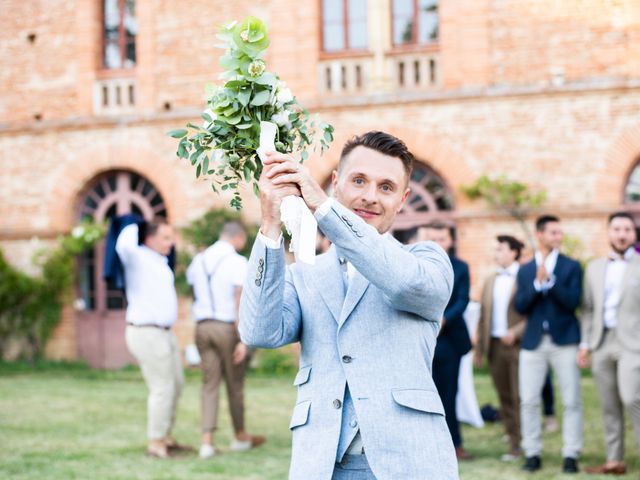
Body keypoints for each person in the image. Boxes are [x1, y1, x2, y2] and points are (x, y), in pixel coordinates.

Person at [239, 131, 458, 479]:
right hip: (322, 464)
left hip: (408, 463)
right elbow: (258, 331)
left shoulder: (426, 262)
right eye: (359, 181)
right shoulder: (305, 274)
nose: (370, 196)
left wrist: (323, 210)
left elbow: (401, 283)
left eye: (386, 187)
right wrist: (270, 224)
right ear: (336, 184)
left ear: (402, 200)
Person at [186, 221, 265, 459]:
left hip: (202, 327)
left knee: (209, 384)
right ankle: (240, 436)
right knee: (235, 384)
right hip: (226, 328)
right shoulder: (236, 262)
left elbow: (194, 291)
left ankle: (207, 443)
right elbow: (238, 301)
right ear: (238, 238)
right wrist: (243, 338)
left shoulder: (198, 260)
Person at [515, 215, 583, 473]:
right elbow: (520, 306)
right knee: (529, 400)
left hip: (565, 339)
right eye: (553, 232)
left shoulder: (571, 266)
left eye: (560, 232)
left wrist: (551, 282)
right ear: (540, 234)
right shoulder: (524, 270)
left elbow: (572, 302)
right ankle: (532, 452)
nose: (558, 237)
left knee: (571, 399)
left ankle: (571, 454)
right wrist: (536, 283)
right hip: (532, 341)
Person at [116, 218, 187, 458]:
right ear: (149, 238)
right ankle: (155, 443)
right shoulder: (137, 257)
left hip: (165, 333)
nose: (171, 243)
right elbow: (122, 245)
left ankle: (166, 436)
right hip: (146, 332)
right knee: (162, 387)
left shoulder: (161, 261)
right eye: (166, 237)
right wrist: (136, 222)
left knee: (176, 384)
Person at [579, 211, 640, 475]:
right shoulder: (594, 267)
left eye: (627, 229)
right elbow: (588, 309)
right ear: (608, 233)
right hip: (601, 342)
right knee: (608, 404)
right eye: (616, 229)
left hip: (633, 344)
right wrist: (585, 344)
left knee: (631, 398)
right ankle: (615, 460)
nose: (622, 234)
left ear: (634, 234)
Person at [418, 222, 472, 461]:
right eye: (434, 238)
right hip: (422, 340)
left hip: (450, 341)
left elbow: (462, 300)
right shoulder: (420, 264)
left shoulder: (461, 267)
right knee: (424, 394)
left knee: (449, 393)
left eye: (443, 239)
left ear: (450, 241)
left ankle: (455, 443)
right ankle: (427, 445)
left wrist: (444, 319)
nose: (439, 243)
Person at [474, 235, 526, 461]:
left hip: (516, 346)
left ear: (514, 252)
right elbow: (483, 316)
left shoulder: (524, 277)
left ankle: (520, 444)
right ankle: (512, 433)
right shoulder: (490, 280)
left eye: (501, 249)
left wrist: (515, 333)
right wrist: (479, 350)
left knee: (518, 396)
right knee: (504, 395)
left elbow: (533, 314)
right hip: (494, 346)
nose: (497, 253)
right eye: (495, 250)